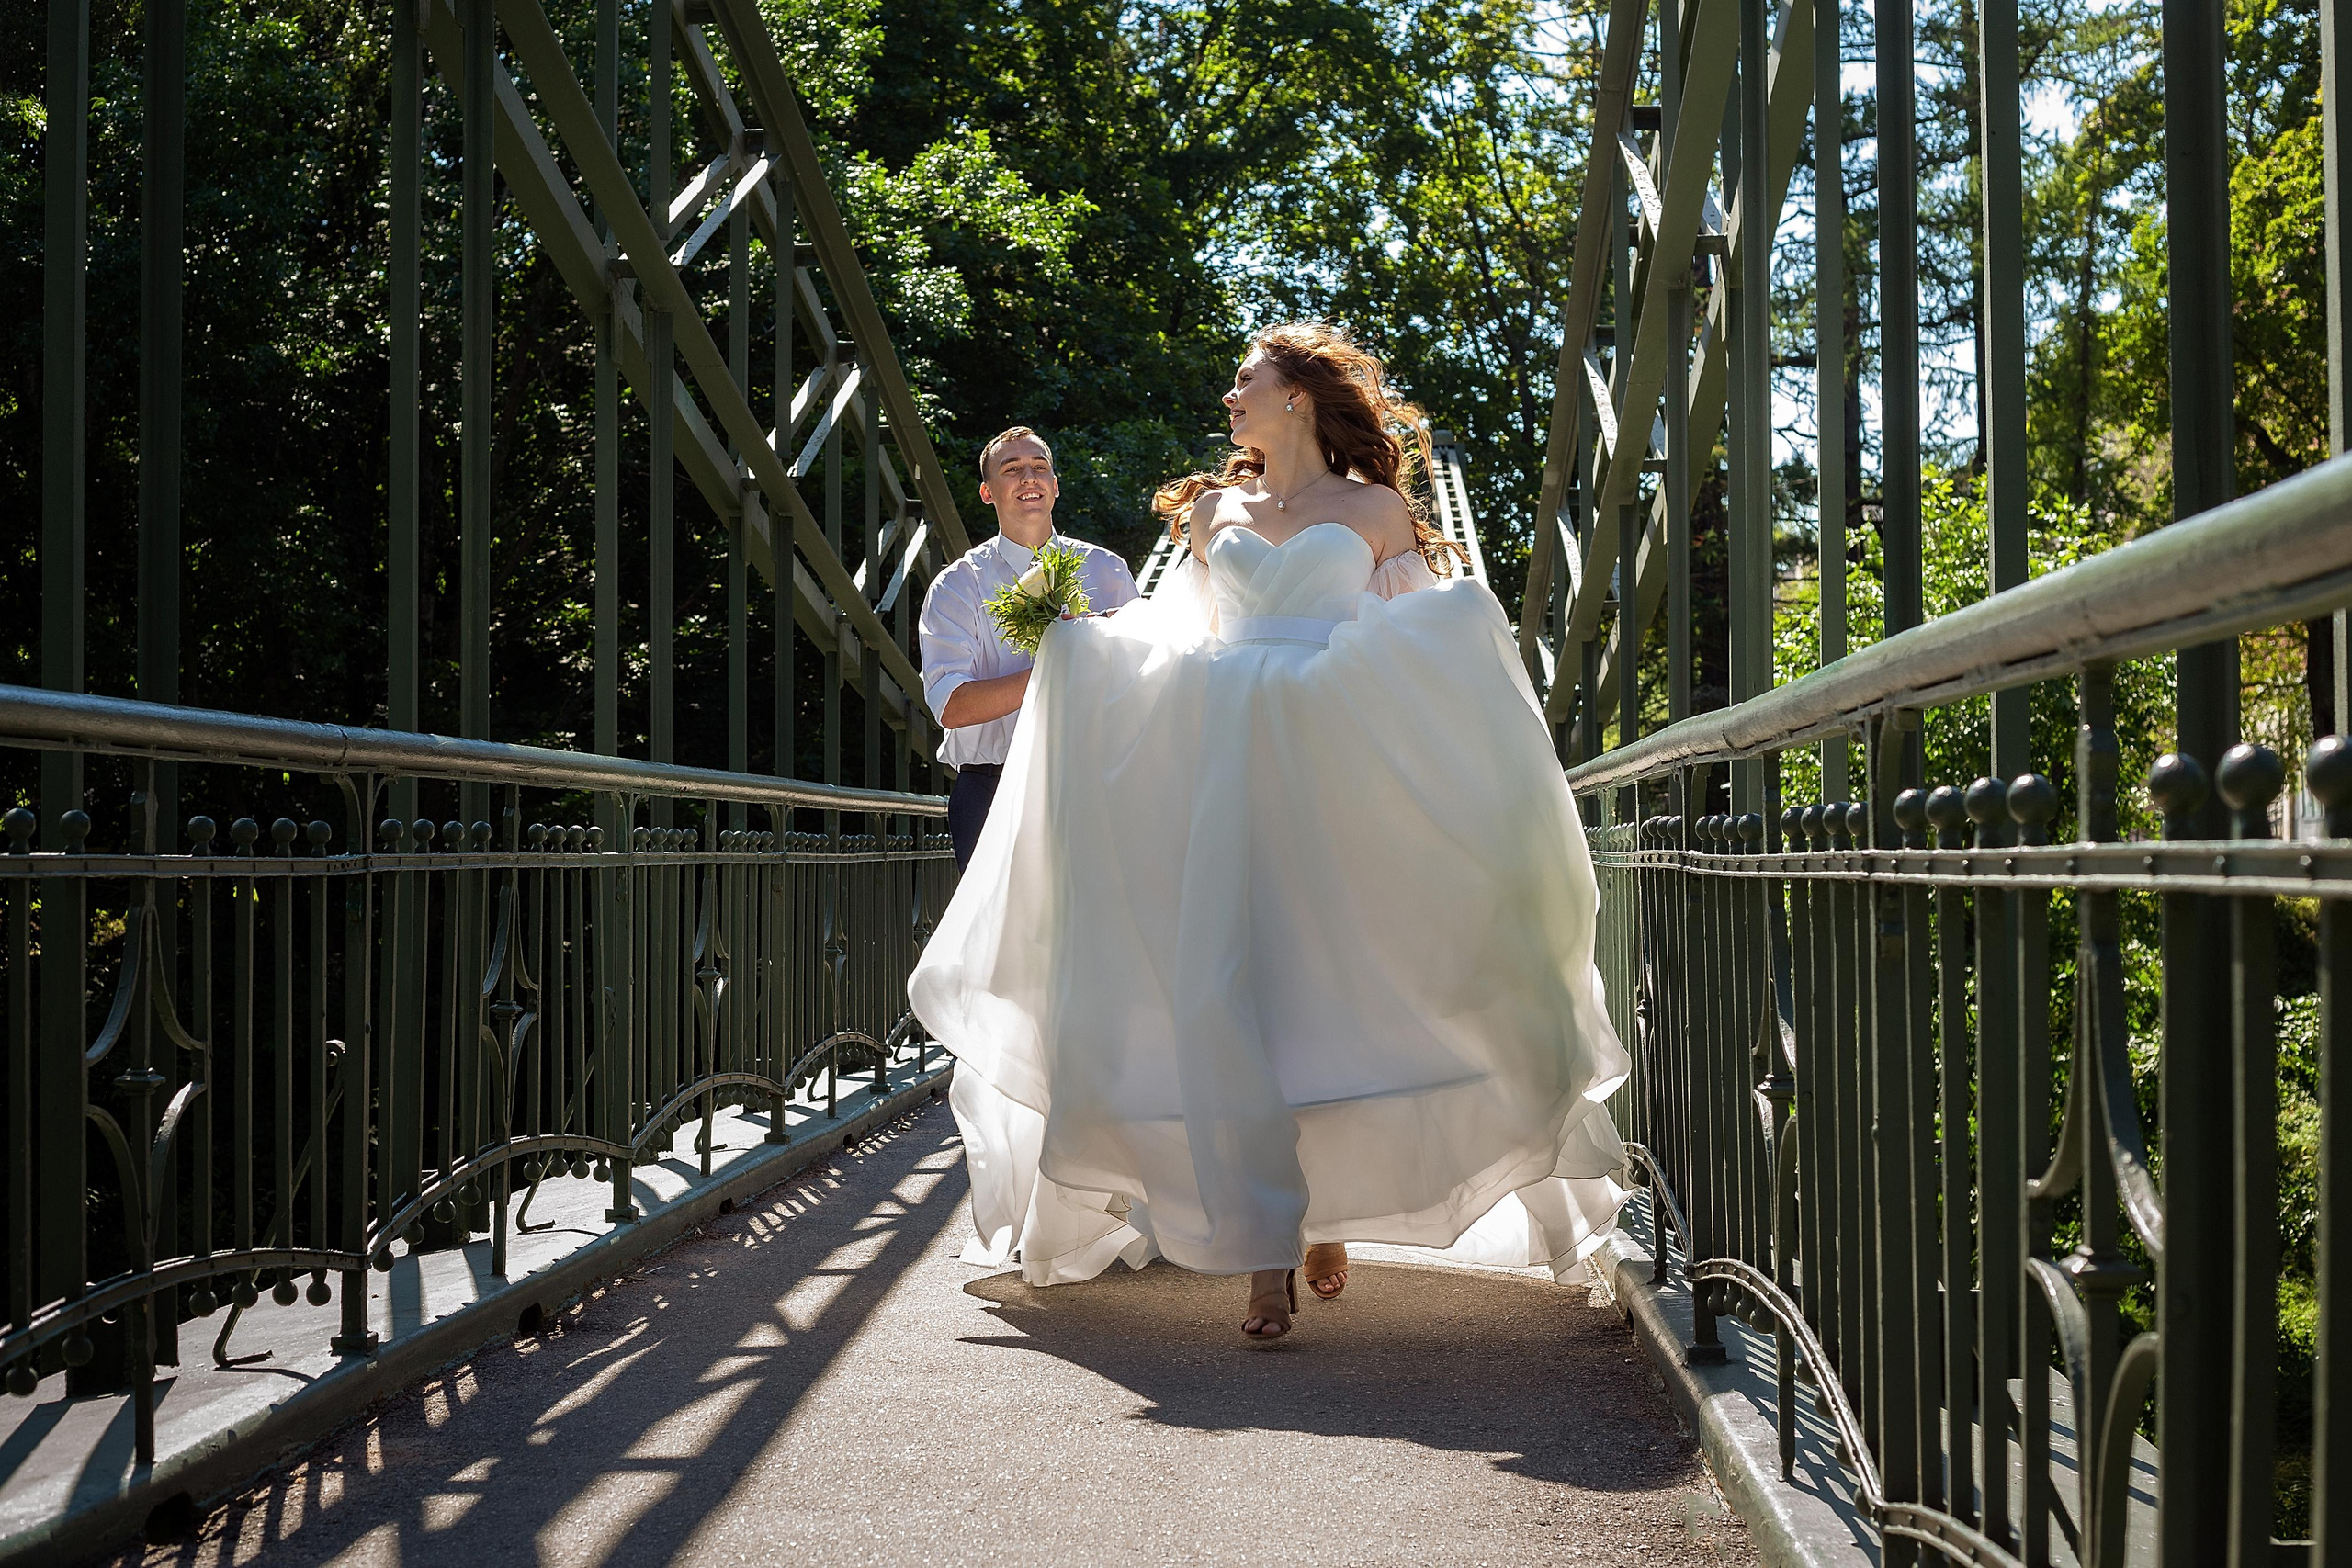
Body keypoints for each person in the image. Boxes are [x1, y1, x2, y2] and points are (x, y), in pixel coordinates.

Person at [910, 325, 1628, 1341]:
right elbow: (1174, 632)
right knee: (1223, 987)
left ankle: (1321, 1212)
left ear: (1297, 396)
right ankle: (1263, 1255)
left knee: (1330, 987)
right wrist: (1080, 654)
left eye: (1244, 381)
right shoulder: (1212, 511)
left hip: (1328, 762)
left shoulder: (1376, 509)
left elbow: (1409, 634)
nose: (1229, 399)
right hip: (1227, 764)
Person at [918, 427, 1137, 869]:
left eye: (1040, 468)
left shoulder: (1106, 570)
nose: (1029, 478)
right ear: (987, 492)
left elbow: (1144, 684)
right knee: (998, 939)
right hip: (993, 792)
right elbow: (952, 706)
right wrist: (1061, 659)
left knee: (1092, 937)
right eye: (1012, 470)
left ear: (1055, 487)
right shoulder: (959, 586)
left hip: (1098, 784)